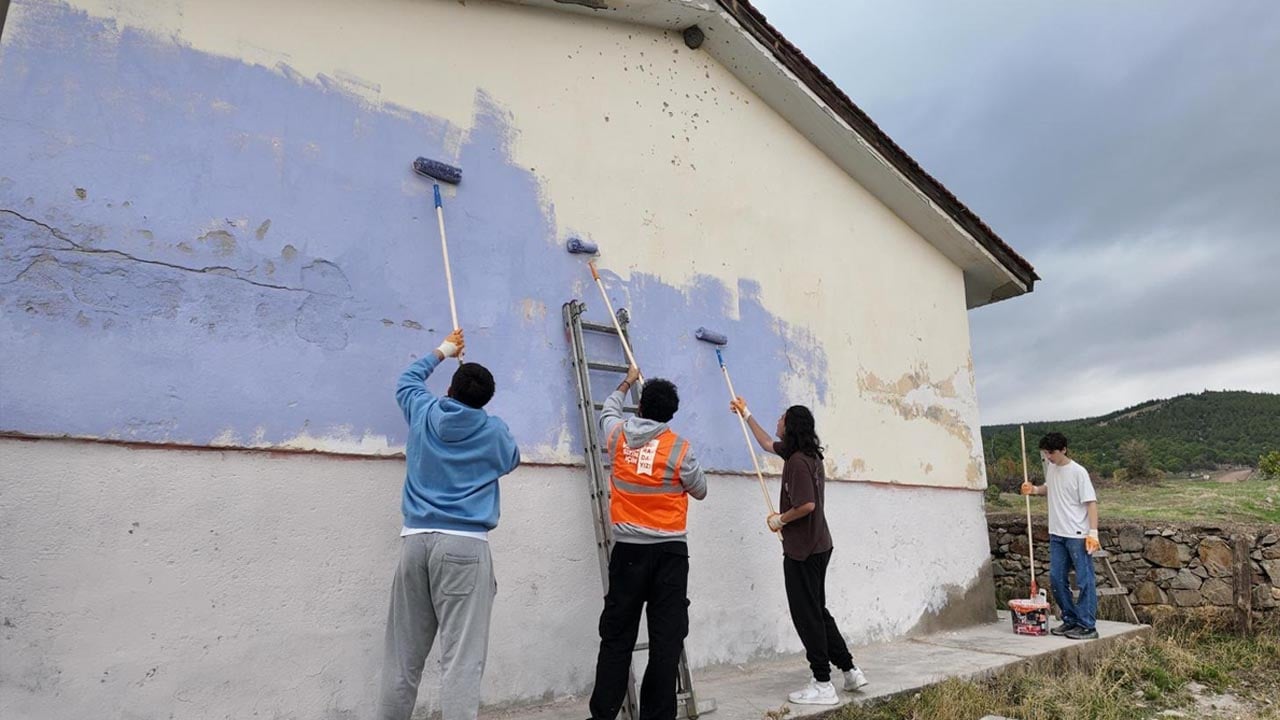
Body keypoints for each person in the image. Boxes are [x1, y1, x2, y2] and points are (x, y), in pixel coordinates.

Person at [378, 329, 521, 720]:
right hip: (465, 547)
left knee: (402, 658)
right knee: (461, 660)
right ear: (485, 399)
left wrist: (443, 351)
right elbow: (510, 460)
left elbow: (407, 380)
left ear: (452, 389)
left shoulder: (423, 411)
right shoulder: (492, 431)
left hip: (415, 542)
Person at [587, 367, 707, 720]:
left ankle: (603, 714)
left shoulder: (618, 437)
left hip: (627, 553)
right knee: (666, 640)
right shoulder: (680, 449)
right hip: (669, 554)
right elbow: (700, 490)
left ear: (639, 408)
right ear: (671, 415)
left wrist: (626, 381)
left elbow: (607, 410)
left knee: (617, 635)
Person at [731, 397, 867, 705]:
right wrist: (746, 412)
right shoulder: (804, 455)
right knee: (818, 612)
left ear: (790, 427)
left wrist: (780, 519)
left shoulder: (797, 463)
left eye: (781, 418)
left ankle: (822, 683)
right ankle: (849, 670)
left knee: (807, 617)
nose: (777, 421)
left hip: (803, 551)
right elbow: (765, 442)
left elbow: (807, 505)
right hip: (819, 545)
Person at [1021, 431, 1100, 640]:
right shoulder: (1052, 469)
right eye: (1046, 453)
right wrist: (1034, 490)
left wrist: (1093, 532)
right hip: (1056, 533)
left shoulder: (1078, 472)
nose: (1048, 456)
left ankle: (1087, 625)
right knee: (1056, 579)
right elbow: (1050, 488)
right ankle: (1070, 620)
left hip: (1077, 534)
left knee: (1085, 581)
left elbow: (1091, 502)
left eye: (1052, 453)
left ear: (1063, 449)